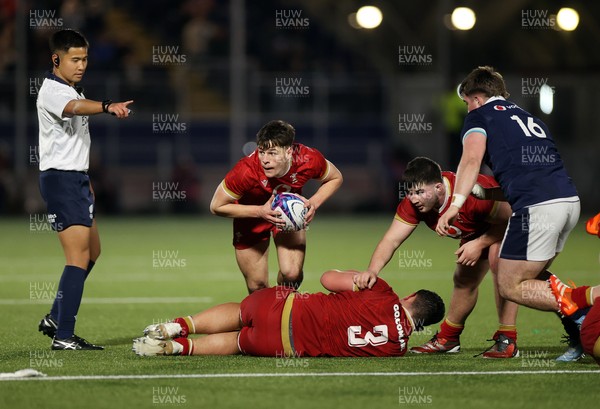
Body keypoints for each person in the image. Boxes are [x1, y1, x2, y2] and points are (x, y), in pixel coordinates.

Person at [436, 66, 600, 331]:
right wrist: (489, 193)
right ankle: (582, 328)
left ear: (477, 98)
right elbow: (532, 175)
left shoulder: (480, 116)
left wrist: (455, 203)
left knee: (510, 285)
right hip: (568, 202)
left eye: (466, 102)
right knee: (534, 277)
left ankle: (589, 300)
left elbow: (470, 161)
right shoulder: (529, 118)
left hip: (538, 208)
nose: (467, 108)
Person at [352, 157, 519, 358]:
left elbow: (514, 219)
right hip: (480, 230)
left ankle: (507, 338)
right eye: (411, 192)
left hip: (517, 222)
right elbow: (391, 240)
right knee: (464, 279)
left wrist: (481, 243)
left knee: (497, 260)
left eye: (420, 192)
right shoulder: (413, 205)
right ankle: (449, 338)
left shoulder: (471, 193)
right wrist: (372, 270)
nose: (414, 198)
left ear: (439, 188)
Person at [36, 29, 133, 350]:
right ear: (56, 59)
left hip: (75, 178)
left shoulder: (69, 88)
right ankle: (63, 335)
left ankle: (54, 317)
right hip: (61, 181)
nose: (81, 65)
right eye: (74, 59)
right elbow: (75, 108)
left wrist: (86, 179)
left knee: (92, 252)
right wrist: (107, 106)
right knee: (77, 257)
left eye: (85, 58)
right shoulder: (53, 91)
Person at [132, 269, 445, 357]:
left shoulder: (383, 291)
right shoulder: (397, 349)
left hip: (286, 304)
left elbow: (327, 278)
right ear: (422, 325)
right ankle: (176, 347)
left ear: (410, 297)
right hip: (284, 347)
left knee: (242, 312)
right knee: (241, 341)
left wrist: (359, 276)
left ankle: (178, 325)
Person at [209, 120, 343, 293]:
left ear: (288, 152)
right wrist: (259, 211)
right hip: (250, 219)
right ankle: (265, 311)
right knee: (257, 287)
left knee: (292, 274)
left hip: (287, 214)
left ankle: (281, 307)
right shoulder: (246, 171)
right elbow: (216, 206)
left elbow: (335, 177)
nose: (265, 160)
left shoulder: (307, 159)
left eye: (272, 153)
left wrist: (313, 203)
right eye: (262, 152)